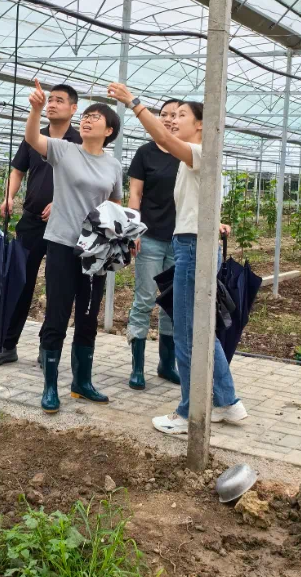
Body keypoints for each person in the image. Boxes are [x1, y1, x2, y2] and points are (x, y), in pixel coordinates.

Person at [107, 82, 248, 434]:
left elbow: (168, 142)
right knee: (201, 331)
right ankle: (227, 402)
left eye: (181, 115)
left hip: (192, 248)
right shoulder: (200, 156)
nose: (173, 121)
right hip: (194, 243)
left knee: (187, 334)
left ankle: (187, 412)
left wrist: (134, 103)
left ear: (200, 124)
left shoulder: (200, 152)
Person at [25, 80, 123, 414]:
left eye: (96, 118)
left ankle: (82, 382)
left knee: (87, 315)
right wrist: (37, 109)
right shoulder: (64, 150)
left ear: (108, 130)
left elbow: (115, 203)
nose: (88, 120)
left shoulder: (113, 165)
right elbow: (32, 139)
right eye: (87, 115)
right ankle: (50, 386)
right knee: (57, 313)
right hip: (62, 243)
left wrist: (126, 234)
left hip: (96, 250)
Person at [0, 84, 81, 367]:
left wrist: (63, 202)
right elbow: (18, 169)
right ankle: (6, 344)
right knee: (19, 281)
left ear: (73, 109)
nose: (52, 104)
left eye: (59, 101)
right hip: (31, 220)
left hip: (65, 223)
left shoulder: (79, 139)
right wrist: (9, 196)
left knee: (57, 285)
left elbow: (84, 181)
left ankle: (47, 347)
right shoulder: (34, 134)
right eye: (50, 100)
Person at [126, 98, 182, 390]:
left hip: (180, 240)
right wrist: (133, 229)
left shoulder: (186, 153)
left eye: (176, 115)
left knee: (172, 303)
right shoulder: (145, 153)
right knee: (145, 299)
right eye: (165, 114)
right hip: (149, 236)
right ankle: (137, 368)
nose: (171, 119)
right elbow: (135, 194)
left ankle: (166, 364)